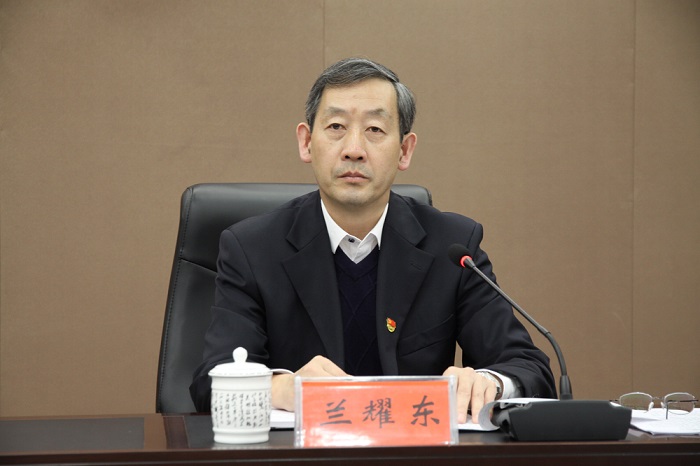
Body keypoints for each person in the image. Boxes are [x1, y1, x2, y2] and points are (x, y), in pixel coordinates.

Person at [190, 57, 556, 423]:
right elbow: (210, 384)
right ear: (306, 142)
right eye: (336, 126)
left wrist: (490, 383)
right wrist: (284, 387)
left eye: (375, 130)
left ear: (404, 151)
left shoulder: (453, 247)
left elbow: (529, 369)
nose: (354, 149)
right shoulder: (252, 249)